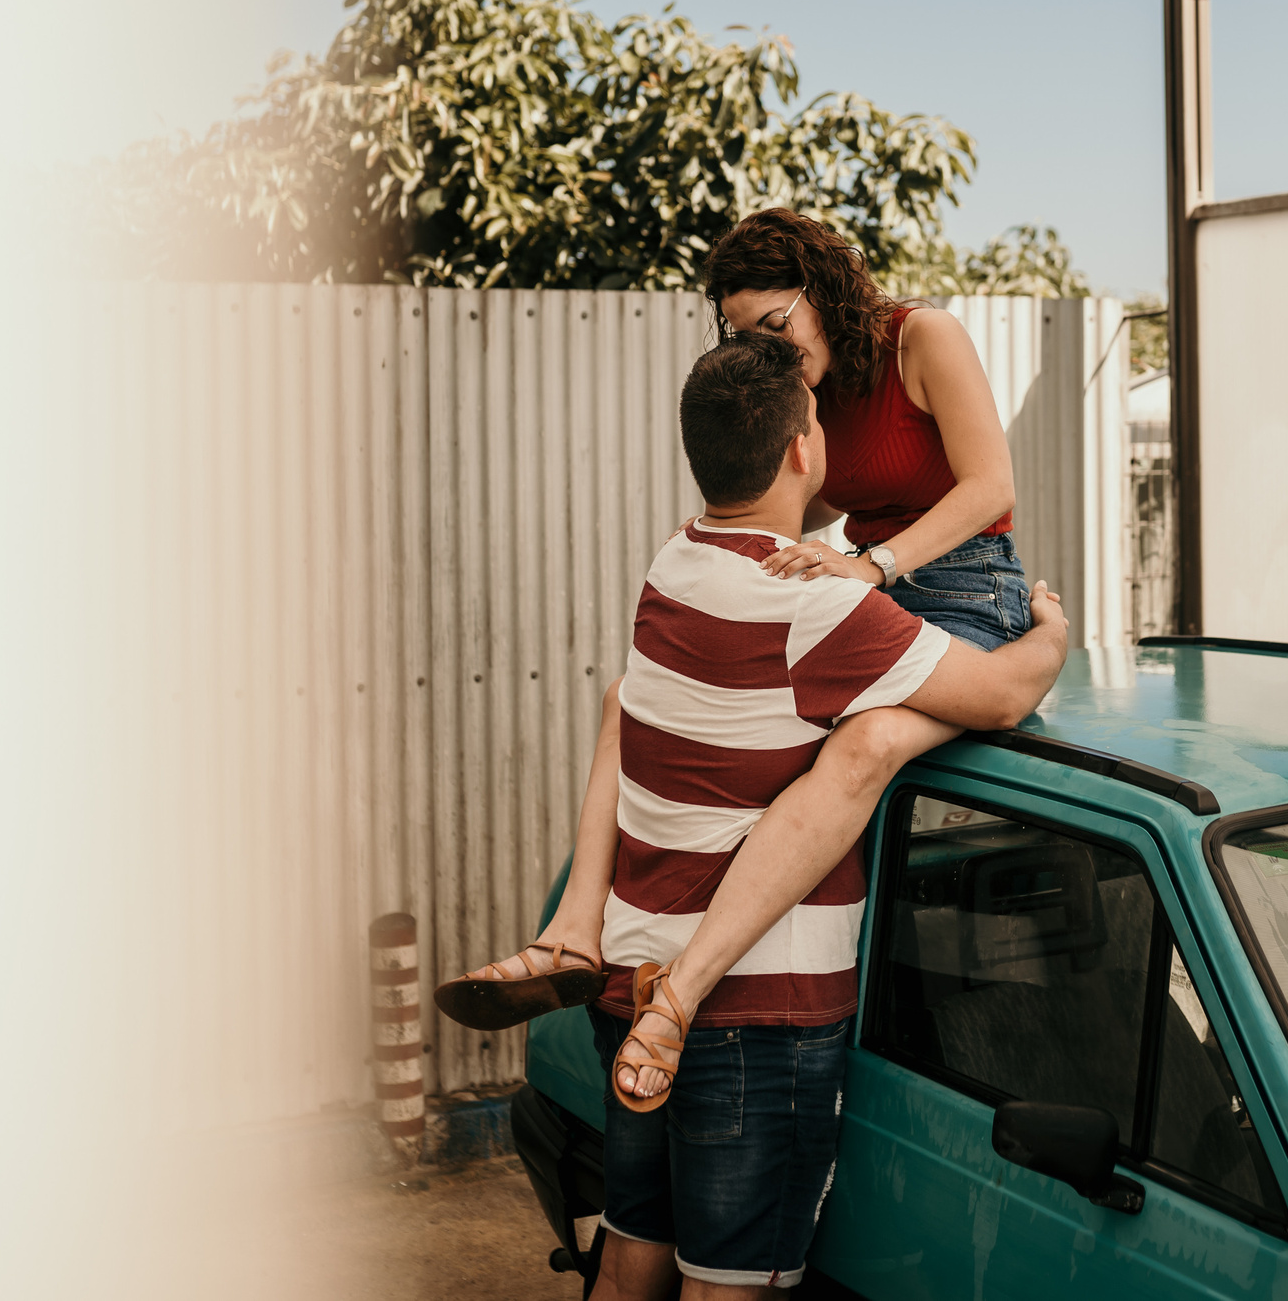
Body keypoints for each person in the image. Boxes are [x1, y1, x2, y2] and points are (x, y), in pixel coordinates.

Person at [443, 209, 1052, 1098]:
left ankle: (686, 984)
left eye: (777, 327)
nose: (775, 352)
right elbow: (788, 494)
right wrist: (707, 545)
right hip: (853, 587)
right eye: (746, 335)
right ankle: (574, 933)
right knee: (630, 695)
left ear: (822, 290)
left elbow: (991, 484)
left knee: (867, 742)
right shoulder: (805, 387)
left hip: (964, 589)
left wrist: (873, 565)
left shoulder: (923, 337)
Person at [552, 334, 1072, 1297]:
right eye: (819, 418)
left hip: (631, 981)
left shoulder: (673, 564)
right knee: (726, 1282)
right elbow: (1000, 698)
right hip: (756, 1016)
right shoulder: (815, 610)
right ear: (802, 450)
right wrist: (1050, 632)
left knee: (632, 1252)